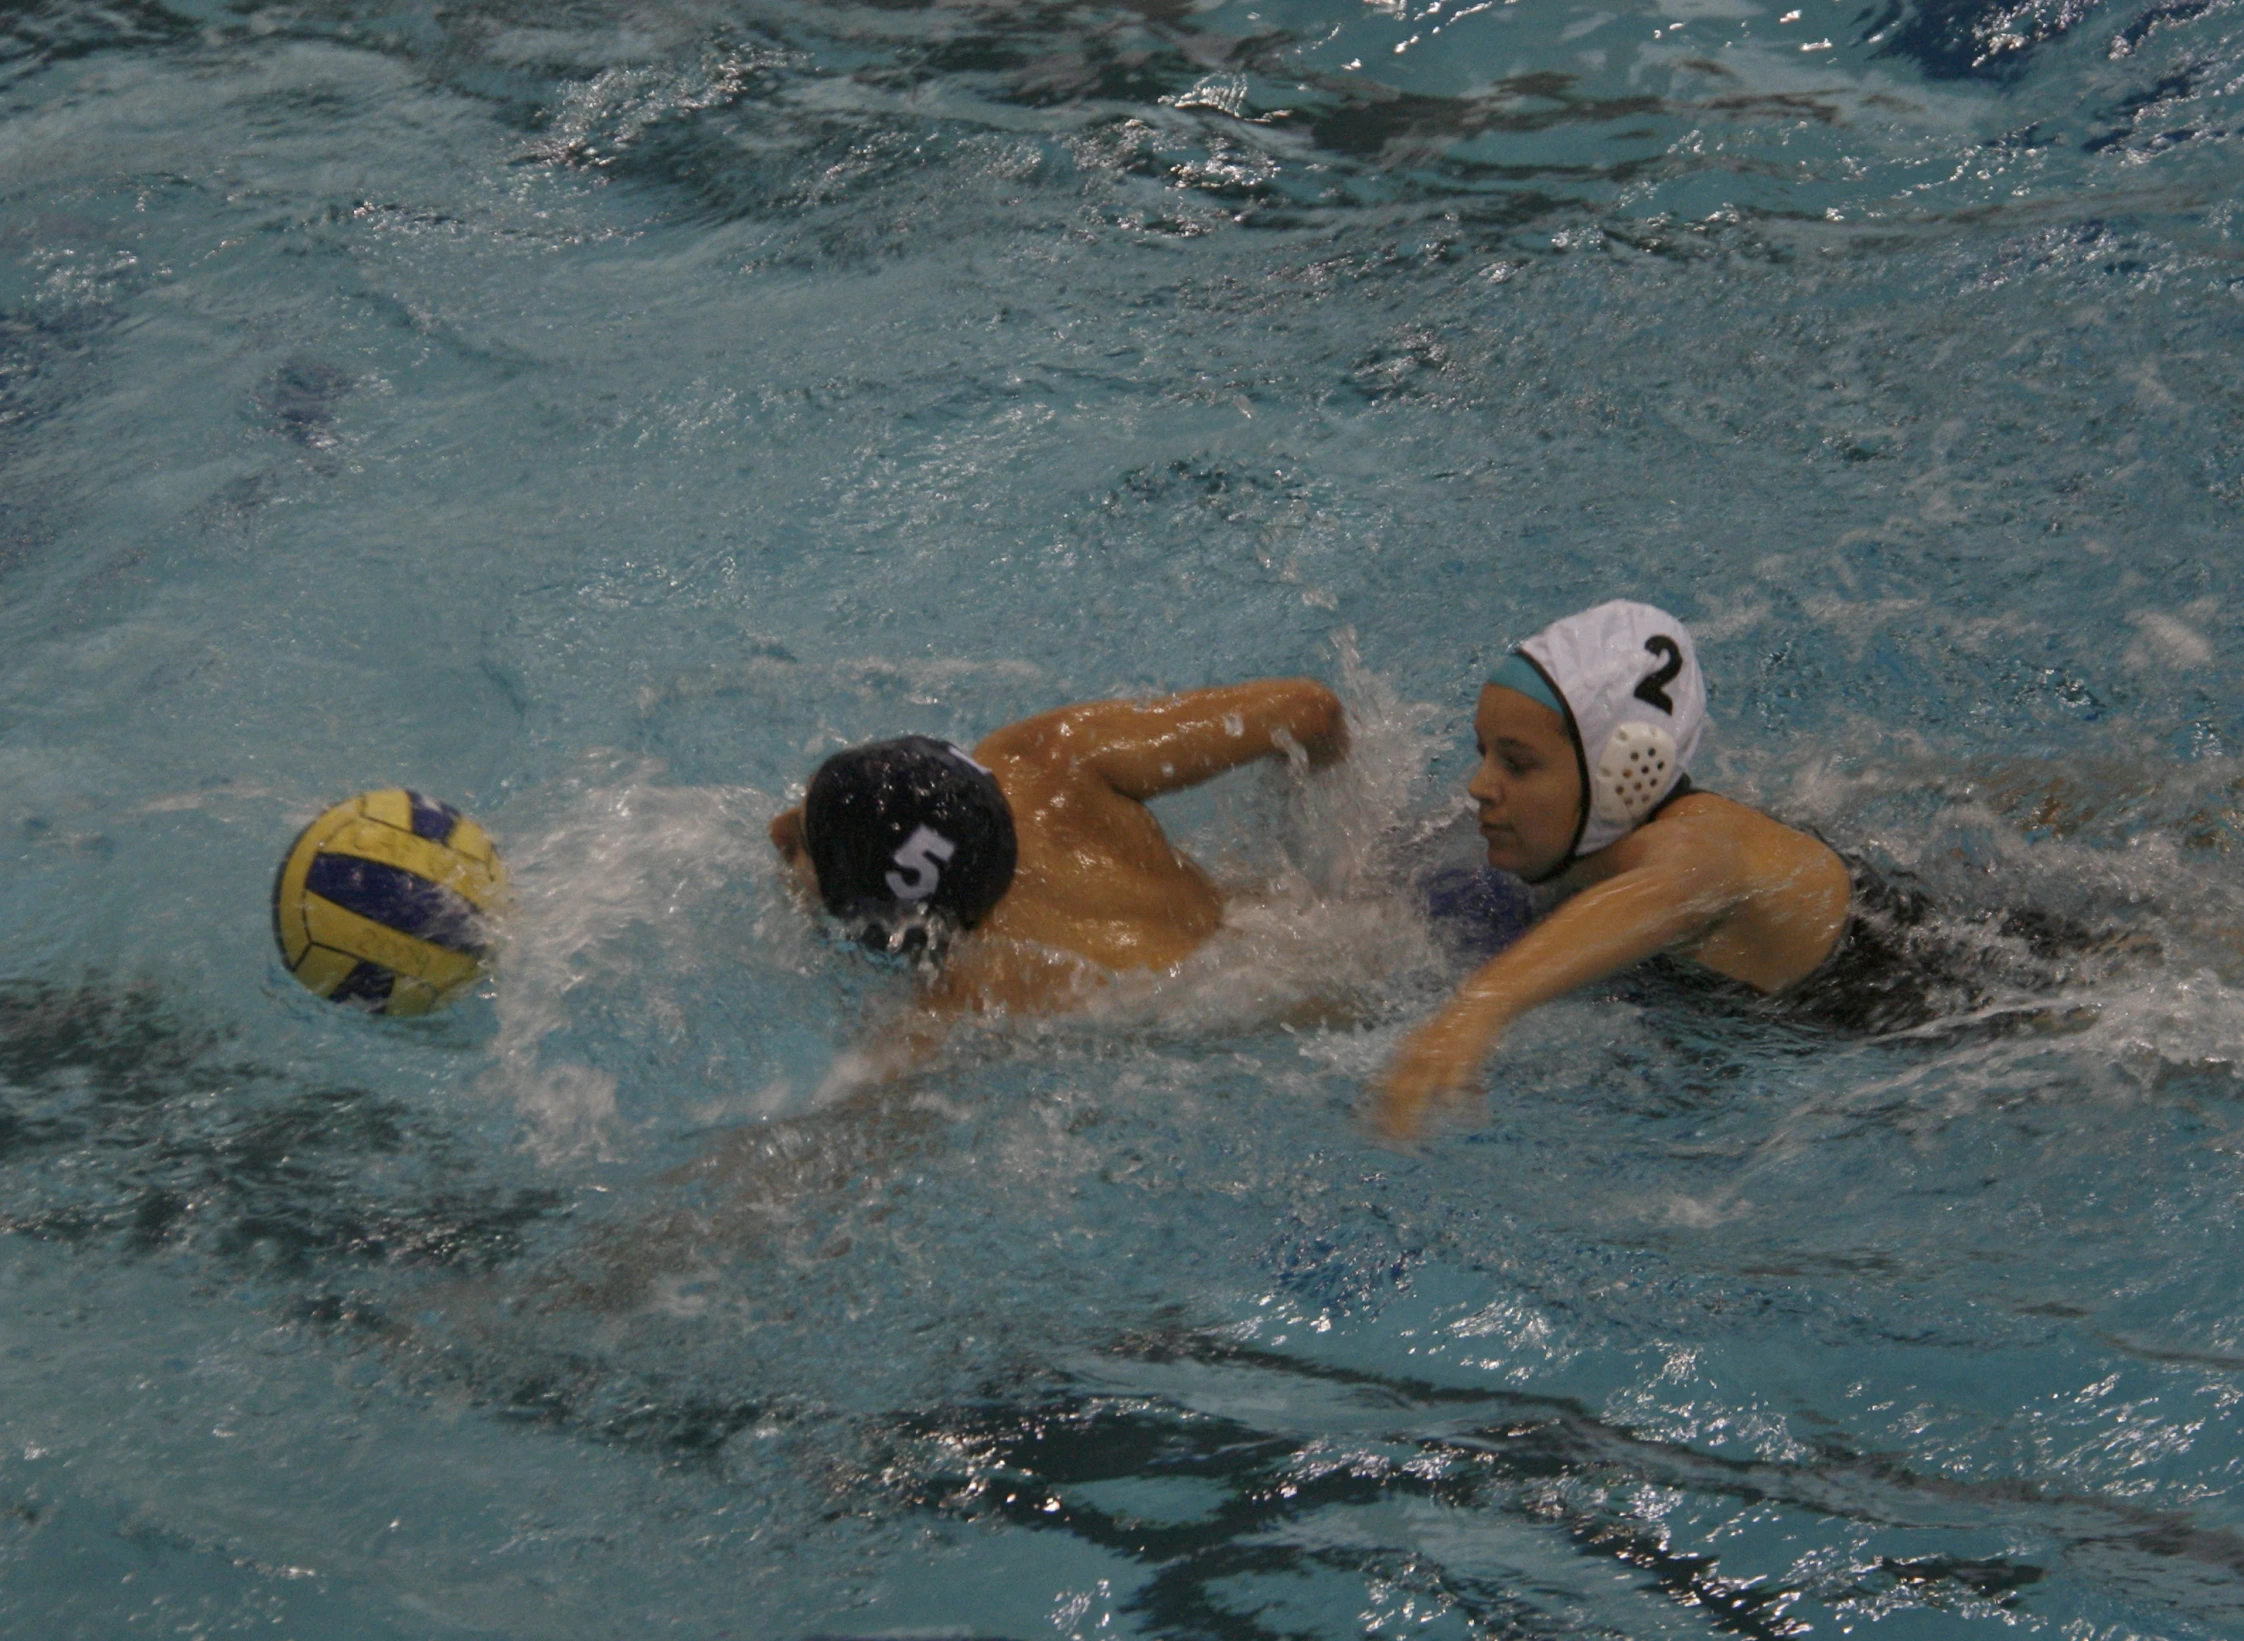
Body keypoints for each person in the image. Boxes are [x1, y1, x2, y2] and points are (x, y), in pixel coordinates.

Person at [1371, 599, 2114, 1141]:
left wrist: (1482, 1005)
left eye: (1519, 763)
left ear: (1629, 770)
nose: (1480, 786)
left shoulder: (1696, 844)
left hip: (2035, 1004)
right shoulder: (1587, 845)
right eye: (1484, 752)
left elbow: (1674, 891)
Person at [767, 678, 1349, 1065]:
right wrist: (1323, 852)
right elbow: (1310, 710)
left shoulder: (973, 994)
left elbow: (853, 1138)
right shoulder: (1044, 758)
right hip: (1329, 925)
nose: (778, 830)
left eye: (804, 842)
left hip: (1327, 1022)